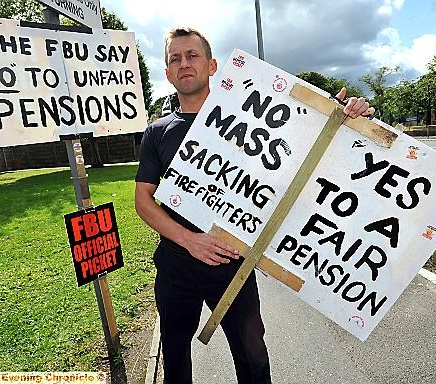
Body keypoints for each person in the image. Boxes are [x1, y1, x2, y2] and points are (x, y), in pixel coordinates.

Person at [134, 27, 374, 384]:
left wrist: (350, 120)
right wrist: (190, 241)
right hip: (175, 267)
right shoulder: (157, 132)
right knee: (176, 364)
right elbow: (143, 201)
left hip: (233, 266)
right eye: (175, 58)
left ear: (212, 65)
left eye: (192, 55)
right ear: (167, 73)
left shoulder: (252, 120)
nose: (184, 63)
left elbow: (313, 157)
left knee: (253, 359)